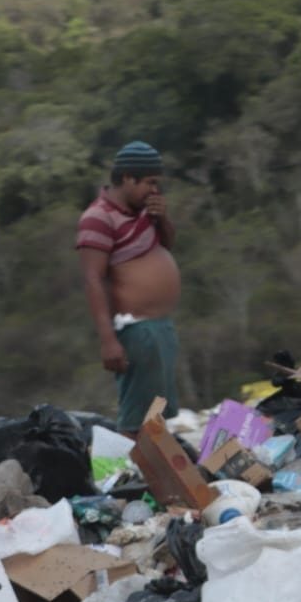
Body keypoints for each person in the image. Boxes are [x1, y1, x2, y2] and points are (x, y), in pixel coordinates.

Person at [76, 141, 181, 436]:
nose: (154, 191)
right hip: (135, 329)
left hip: (160, 326)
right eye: (149, 183)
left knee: (156, 417)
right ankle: (122, 479)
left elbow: (168, 244)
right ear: (126, 178)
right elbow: (93, 279)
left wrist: (162, 218)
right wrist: (108, 340)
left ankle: (155, 477)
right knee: (136, 420)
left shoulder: (144, 212)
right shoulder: (98, 218)